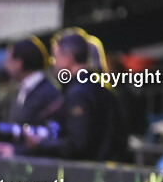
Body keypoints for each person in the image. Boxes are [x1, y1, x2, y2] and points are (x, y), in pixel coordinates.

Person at [22, 32, 126, 162]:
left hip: (88, 174)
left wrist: (39, 145)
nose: (53, 63)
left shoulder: (78, 94)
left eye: (56, 57)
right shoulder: (103, 89)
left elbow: (77, 143)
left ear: (68, 58)